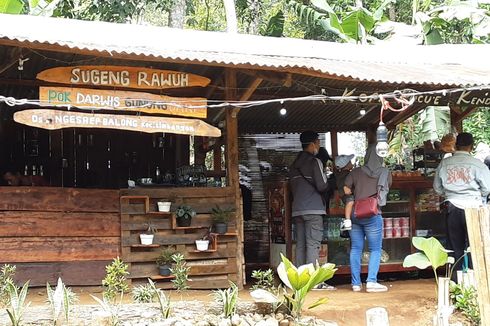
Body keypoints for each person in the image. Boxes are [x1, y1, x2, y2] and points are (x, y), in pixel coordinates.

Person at [433, 132, 490, 282]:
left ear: (456, 145)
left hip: (452, 206)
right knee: (474, 244)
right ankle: (476, 280)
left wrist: (450, 192)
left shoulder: (444, 164)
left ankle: (456, 282)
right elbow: (487, 189)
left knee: (454, 246)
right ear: (471, 146)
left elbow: (437, 188)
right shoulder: (478, 164)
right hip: (473, 207)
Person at [289, 131, 333, 290]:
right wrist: (331, 183)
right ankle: (314, 282)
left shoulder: (293, 165)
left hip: (297, 210)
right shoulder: (315, 162)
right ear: (313, 143)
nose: (319, 146)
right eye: (318, 143)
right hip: (313, 209)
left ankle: (299, 281)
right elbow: (322, 186)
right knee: (313, 245)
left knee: (300, 244)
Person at [344, 144, 391, 293]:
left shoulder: (355, 172)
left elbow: (345, 188)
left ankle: (356, 284)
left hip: (356, 214)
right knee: (375, 249)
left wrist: (353, 194)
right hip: (373, 213)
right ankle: (371, 282)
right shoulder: (385, 172)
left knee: (356, 249)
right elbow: (386, 189)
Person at [334, 154, 355, 230]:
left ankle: (347, 221)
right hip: (348, 197)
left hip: (344, 197)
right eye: (350, 161)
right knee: (350, 201)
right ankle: (347, 221)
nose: (351, 163)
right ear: (347, 164)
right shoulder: (348, 174)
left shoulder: (338, 175)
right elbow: (348, 189)